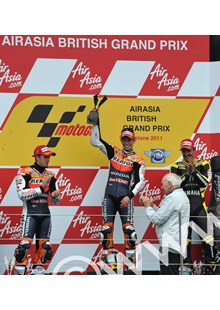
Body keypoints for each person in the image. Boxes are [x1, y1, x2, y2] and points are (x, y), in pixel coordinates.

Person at [90, 115, 146, 270]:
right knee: (106, 231)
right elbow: (95, 141)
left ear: (134, 140)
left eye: (129, 140)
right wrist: (96, 123)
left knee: (129, 231)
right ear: (121, 140)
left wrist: (129, 196)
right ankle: (108, 265)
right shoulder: (114, 152)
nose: (126, 142)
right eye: (124, 139)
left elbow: (141, 181)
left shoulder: (138, 160)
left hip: (125, 199)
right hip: (109, 197)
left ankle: (130, 266)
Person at [14, 145, 61, 275]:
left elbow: (56, 201)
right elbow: (21, 195)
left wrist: (55, 196)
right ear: (37, 157)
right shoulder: (25, 172)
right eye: (46, 157)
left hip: (45, 215)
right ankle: (19, 274)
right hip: (30, 214)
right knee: (23, 248)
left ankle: (38, 271)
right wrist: (41, 188)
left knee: (44, 247)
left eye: (49, 157)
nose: (48, 159)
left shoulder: (51, 175)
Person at [170, 138, 215, 274]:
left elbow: (205, 182)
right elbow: (175, 185)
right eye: (184, 151)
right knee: (185, 239)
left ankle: (211, 265)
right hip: (183, 209)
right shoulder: (176, 166)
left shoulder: (204, 163)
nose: (186, 154)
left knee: (208, 237)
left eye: (188, 150)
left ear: (194, 150)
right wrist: (188, 173)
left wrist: (194, 171)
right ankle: (187, 266)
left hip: (199, 207)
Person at [140, 173, 190, 275]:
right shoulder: (181, 195)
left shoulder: (172, 197)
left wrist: (148, 207)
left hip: (169, 244)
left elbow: (158, 219)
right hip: (175, 243)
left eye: (163, 184)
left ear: (170, 184)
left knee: (168, 275)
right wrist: (152, 205)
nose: (161, 187)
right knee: (171, 273)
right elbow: (165, 214)